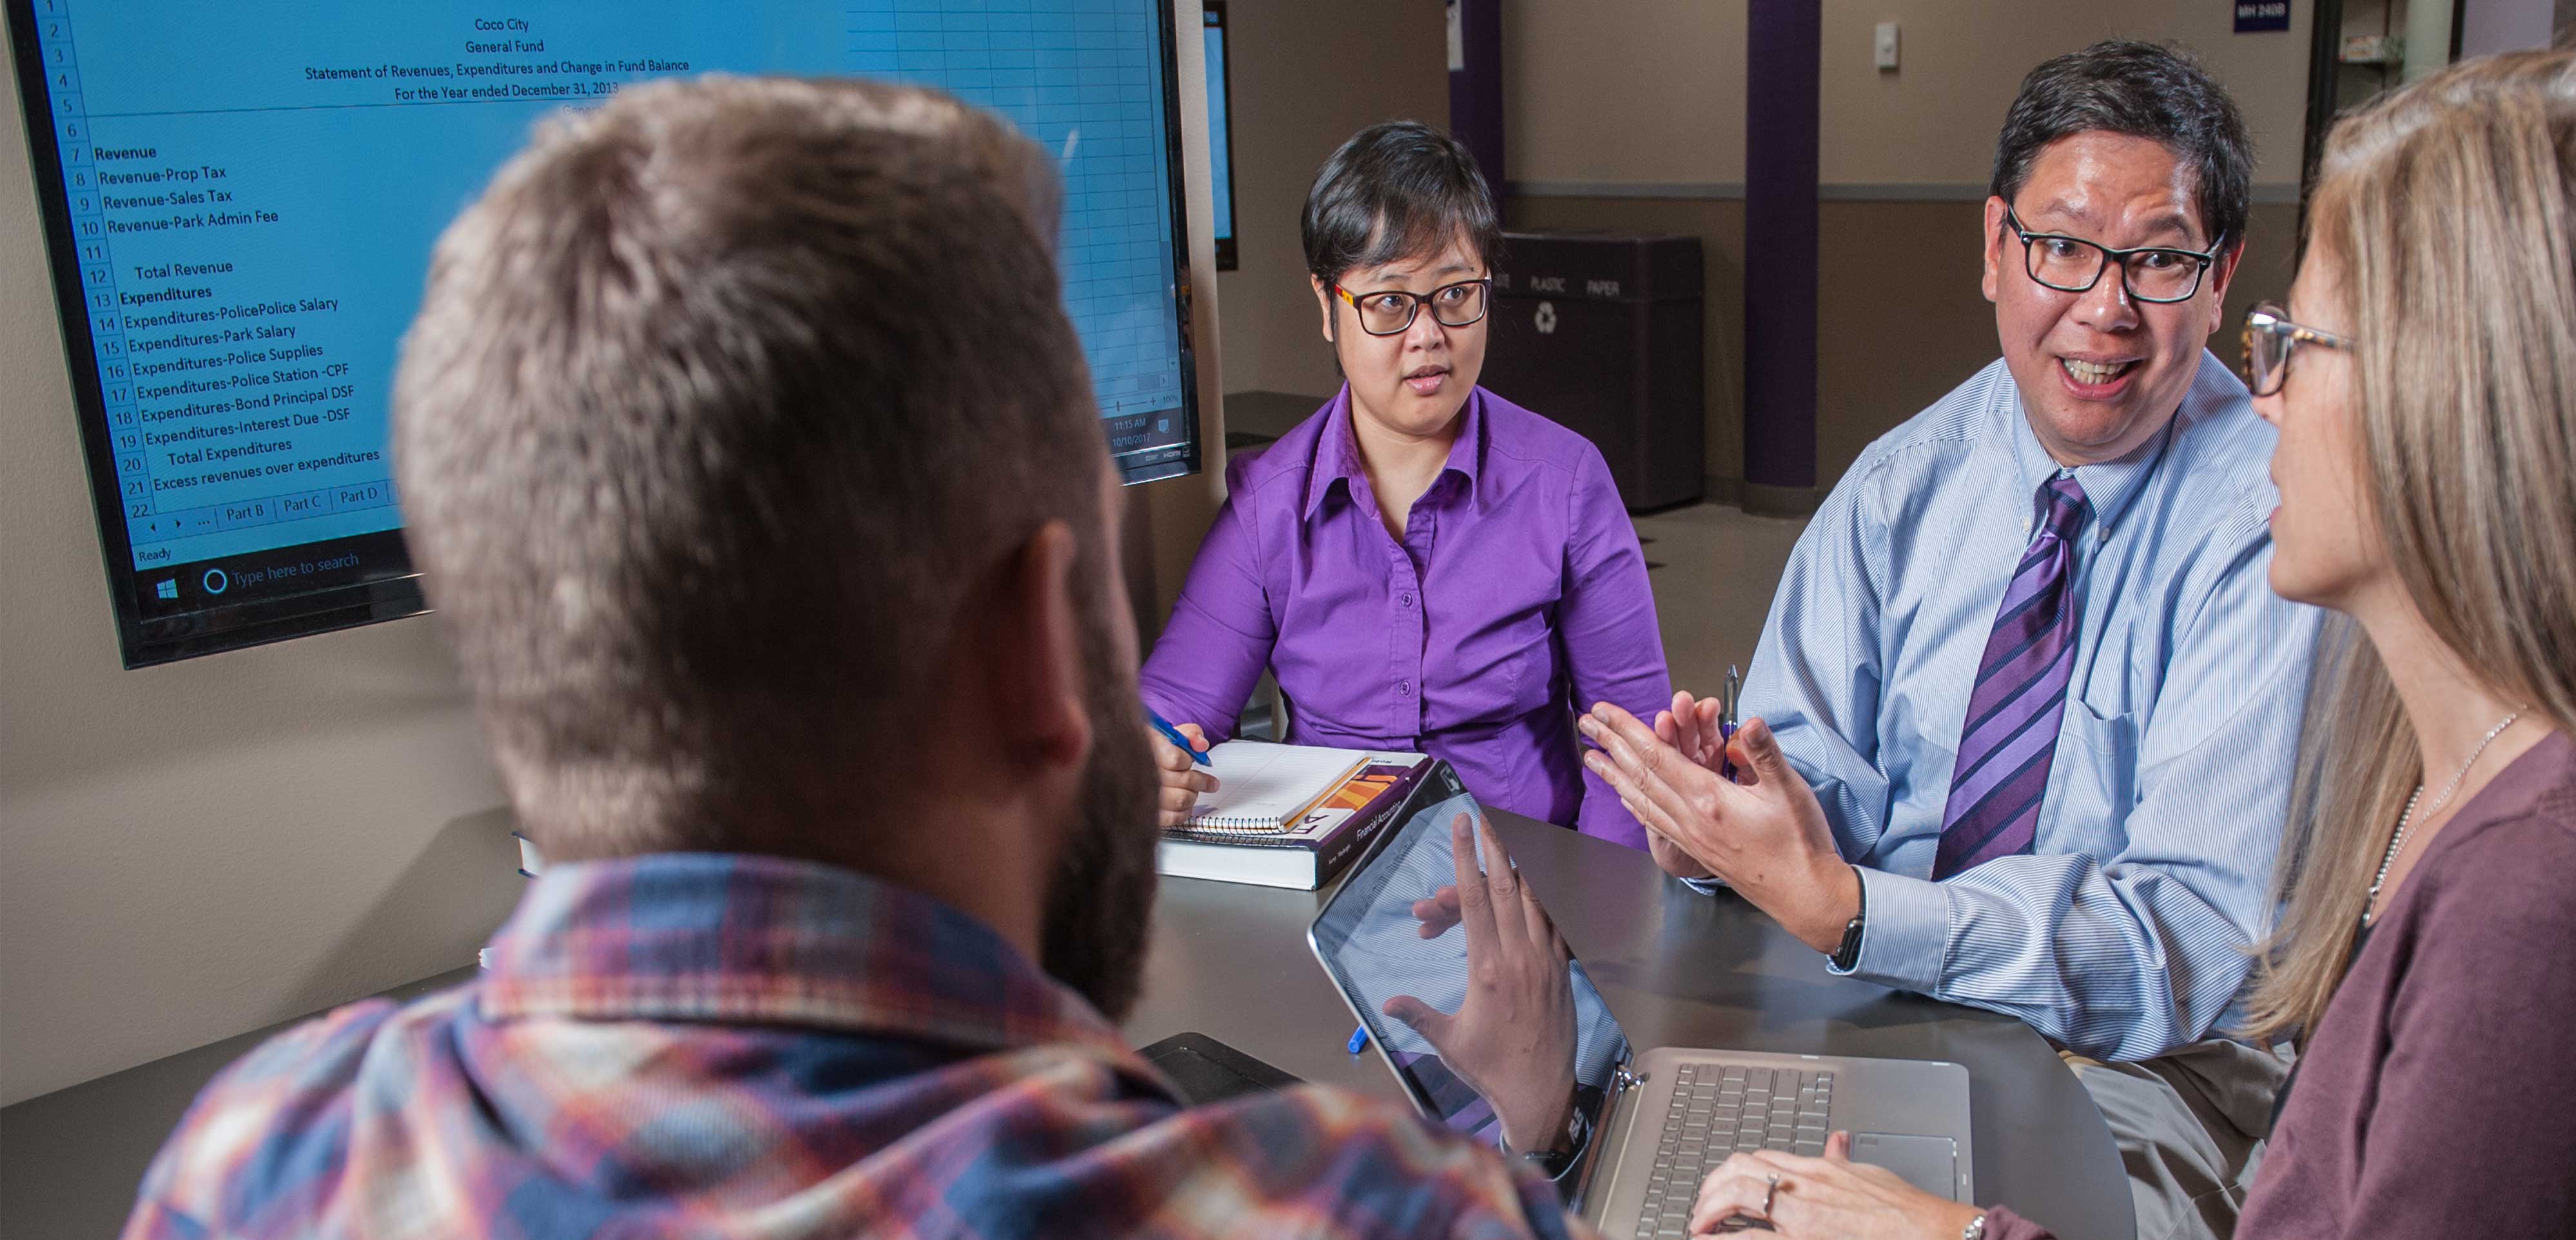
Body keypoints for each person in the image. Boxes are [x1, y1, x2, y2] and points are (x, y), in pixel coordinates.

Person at [119, 78, 1588, 1239]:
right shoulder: (1341, 1201)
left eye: (1448, 295)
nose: (1423, 331)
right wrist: (1510, 1137)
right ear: (1034, 647)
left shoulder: (259, 1151)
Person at [1671, 50, 2576, 1240]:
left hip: (2122, 1064)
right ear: (1996, 246)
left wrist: (1947, 1233)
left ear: (2463, 405)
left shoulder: (2553, 903)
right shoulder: (2499, 796)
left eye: (2294, 346)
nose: (2255, 403)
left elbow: (2213, 962)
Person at [1580, 41, 2323, 1240]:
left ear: (2222, 272)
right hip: (1873, 1003)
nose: (2105, 306)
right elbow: (1816, 769)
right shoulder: (1900, 485)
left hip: (2140, 1070)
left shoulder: (2273, 525)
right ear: (1992, 249)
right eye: (2063, 247)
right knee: (1639, 1183)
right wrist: (1732, 821)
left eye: (2159, 260)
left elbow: (2186, 937)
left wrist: (1856, 910)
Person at [1142, 121, 1671, 846]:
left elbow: (1633, 749)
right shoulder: (1271, 503)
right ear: (1329, 306)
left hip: (1525, 885)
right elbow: (1174, 707)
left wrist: (1582, 918)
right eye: (1390, 302)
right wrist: (1147, 756)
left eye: (1456, 294)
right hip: (1327, 886)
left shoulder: (1566, 484)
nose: (1428, 335)